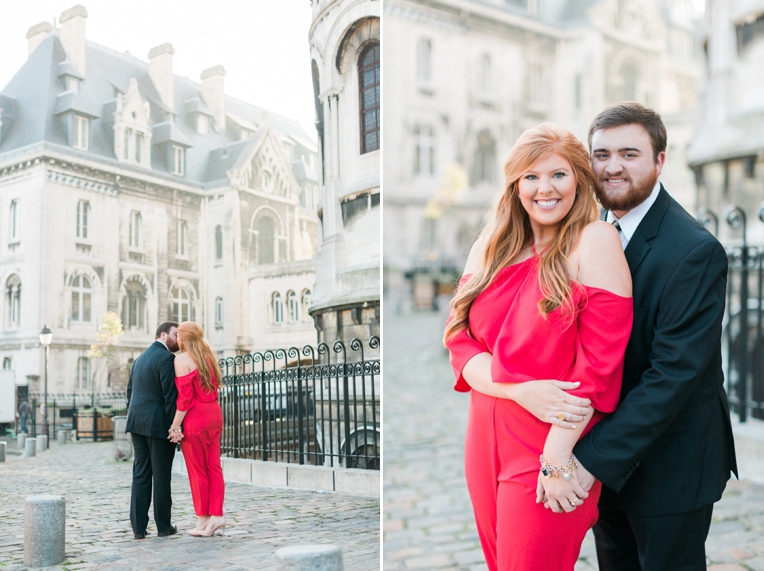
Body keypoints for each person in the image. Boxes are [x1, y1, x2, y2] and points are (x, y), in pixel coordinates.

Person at [444, 122, 633, 570]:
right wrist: (517, 390)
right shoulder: (491, 246)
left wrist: (556, 457)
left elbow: (599, 368)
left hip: (549, 443)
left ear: (579, 180)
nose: (544, 188)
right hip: (484, 440)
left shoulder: (595, 241)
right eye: (531, 176)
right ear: (515, 184)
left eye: (558, 175)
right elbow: (458, 342)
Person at [566, 102, 737, 570]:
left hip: (670, 465)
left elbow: (673, 375)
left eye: (629, 153)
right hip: (607, 464)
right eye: (601, 154)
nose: (612, 166)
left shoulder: (695, 250)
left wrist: (590, 458)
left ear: (660, 160)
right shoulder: (587, 233)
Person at [167, 321, 225, 537]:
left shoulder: (182, 360)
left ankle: (203, 519)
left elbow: (185, 400)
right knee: (213, 466)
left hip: (196, 418)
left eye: (179, 337)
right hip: (214, 414)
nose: (177, 341)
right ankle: (215, 517)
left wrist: (174, 426)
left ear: (184, 339)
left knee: (197, 470)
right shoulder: (208, 357)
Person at [125, 321, 180, 540]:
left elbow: (130, 393)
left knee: (140, 474)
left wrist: (135, 416)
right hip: (158, 425)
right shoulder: (166, 358)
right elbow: (170, 396)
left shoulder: (139, 359)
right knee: (161, 476)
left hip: (136, 423)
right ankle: (164, 526)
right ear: (164, 335)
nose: (179, 339)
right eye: (176, 334)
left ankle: (138, 528)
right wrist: (174, 427)